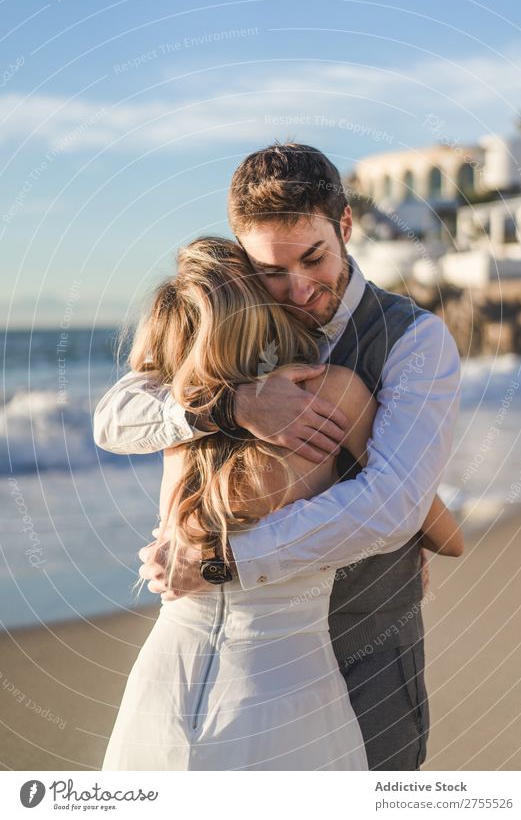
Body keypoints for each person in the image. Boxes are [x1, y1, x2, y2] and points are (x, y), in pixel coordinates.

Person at [94, 143, 462, 769]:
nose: (297, 288)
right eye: (271, 270)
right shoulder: (216, 353)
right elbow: (114, 417)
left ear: (344, 226)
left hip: (371, 630)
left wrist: (220, 560)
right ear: (241, 257)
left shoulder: (415, 340)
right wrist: (229, 408)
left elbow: (393, 503)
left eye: (313, 257)